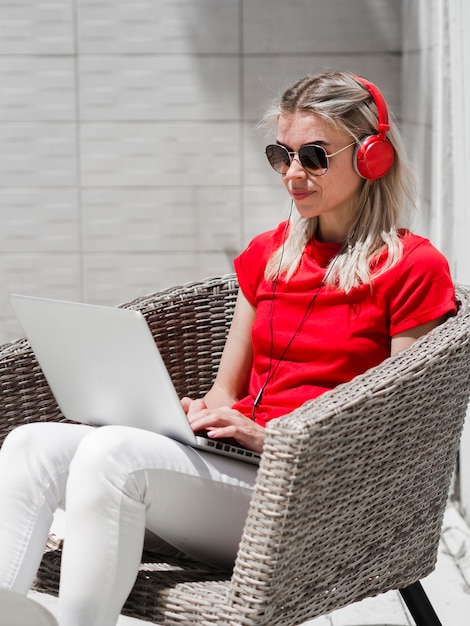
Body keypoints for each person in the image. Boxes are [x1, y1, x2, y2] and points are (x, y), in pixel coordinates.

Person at [0, 71, 456, 626]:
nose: (293, 174)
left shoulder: (413, 267)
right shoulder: (268, 254)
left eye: (313, 156)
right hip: (234, 470)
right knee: (29, 446)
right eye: (280, 155)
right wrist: (200, 413)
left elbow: (398, 430)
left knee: (111, 457)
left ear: (371, 158)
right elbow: (225, 390)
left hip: (310, 499)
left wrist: (274, 440)